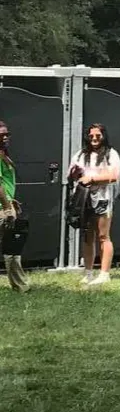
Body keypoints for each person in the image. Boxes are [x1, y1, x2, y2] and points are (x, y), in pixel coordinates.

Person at [70, 123, 120, 287]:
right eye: (91, 136)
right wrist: (76, 173)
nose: (94, 139)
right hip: (84, 199)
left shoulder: (110, 154)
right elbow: (72, 173)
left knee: (103, 236)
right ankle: (88, 272)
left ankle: (104, 273)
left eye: (98, 136)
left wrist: (92, 178)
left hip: (102, 198)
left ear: (103, 136)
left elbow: (114, 176)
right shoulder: (81, 154)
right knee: (87, 236)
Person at [0, 121, 29, 292]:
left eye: (6, 134)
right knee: (12, 248)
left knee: (12, 246)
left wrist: (11, 200)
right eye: (1, 134)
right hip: (2, 208)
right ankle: (20, 286)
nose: (5, 137)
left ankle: (20, 285)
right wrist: (6, 207)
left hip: (6, 203)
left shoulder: (4, 154)